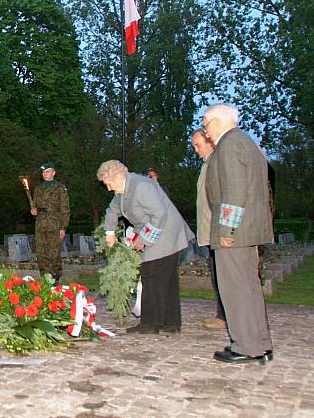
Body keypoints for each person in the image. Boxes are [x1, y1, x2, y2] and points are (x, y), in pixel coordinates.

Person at [203, 103, 273, 364]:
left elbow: (233, 192)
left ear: (218, 121)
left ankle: (246, 347)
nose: (206, 131)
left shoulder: (229, 145)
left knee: (236, 290)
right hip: (249, 231)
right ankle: (260, 343)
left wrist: (226, 229)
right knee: (250, 288)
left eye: (206, 124)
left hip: (235, 233)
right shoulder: (247, 143)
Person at [98, 160, 193, 334]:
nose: (108, 188)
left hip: (167, 233)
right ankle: (170, 324)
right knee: (165, 279)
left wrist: (142, 239)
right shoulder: (122, 190)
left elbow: (159, 214)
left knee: (151, 274)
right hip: (159, 233)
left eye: (108, 183)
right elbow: (112, 211)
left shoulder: (141, 185)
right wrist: (109, 233)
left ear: (116, 177)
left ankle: (150, 323)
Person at [191, 129, 227, 331]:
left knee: (224, 277)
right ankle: (222, 315)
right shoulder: (207, 164)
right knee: (217, 276)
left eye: (198, 145)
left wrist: (223, 229)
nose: (196, 150)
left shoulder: (217, 163)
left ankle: (226, 317)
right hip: (210, 231)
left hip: (218, 231)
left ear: (210, 142)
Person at [30, 161, 70, 280]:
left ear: (53, 173)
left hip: (54, 223)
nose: (45, 174)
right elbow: (35, 205)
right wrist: (34, 211)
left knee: (54, 253)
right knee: (41, 253)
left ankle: (55, 277)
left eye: (47, 172)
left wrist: (63, 227)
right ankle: (45, 278)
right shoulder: (38, 188)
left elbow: (65, 209)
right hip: (41, 223)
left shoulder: (60, 188)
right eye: (43, 172)